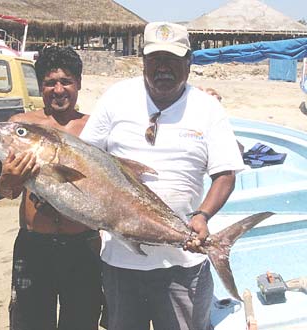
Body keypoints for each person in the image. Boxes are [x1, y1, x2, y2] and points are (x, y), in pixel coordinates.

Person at [80, 22, 245, 330]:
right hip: (121, 262)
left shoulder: (207, 108)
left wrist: (202, 215)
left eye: (172, 59)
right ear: (143, 60)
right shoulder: (116, 97)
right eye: (155, 59)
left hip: (183, 266)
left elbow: (225, 173)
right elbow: (87, 160)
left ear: (189, 62)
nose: (163, 67)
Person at [0, 46, 103, 330]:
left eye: (66, 81)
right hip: (35, 247)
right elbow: (8, 192)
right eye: (50, 83)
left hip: (84, 246)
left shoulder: (94, 129)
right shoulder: (21, 127)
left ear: (78, 83)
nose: (58, 90)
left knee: (81, 323)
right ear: (40, 86)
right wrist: (8, 179)